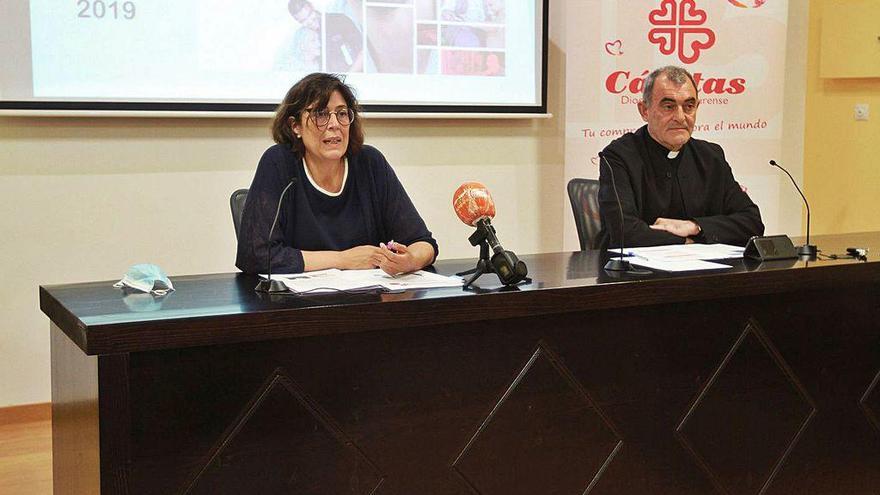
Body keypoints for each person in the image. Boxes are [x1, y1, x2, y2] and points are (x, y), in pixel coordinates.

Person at [236, 73, 438, 275]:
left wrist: (408, 261)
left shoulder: (370, 163)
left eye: (342, 114)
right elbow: (256, 255)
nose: (334, 124)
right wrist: (343, 260)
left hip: (369, 300)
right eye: (321, 115)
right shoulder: (279, 163)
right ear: (295, 125)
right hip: (299, 303)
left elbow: (424, 243)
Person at [597, 65, 764, 248]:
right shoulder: (619, 156)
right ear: (644, 110)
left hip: (704, 274)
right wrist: (686, 242)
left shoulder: (710, 157)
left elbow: (752, 222)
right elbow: (624, 231)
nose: (680, 117)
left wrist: (694, 226)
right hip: (637, 273)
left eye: (689, 106)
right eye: (668, 106)